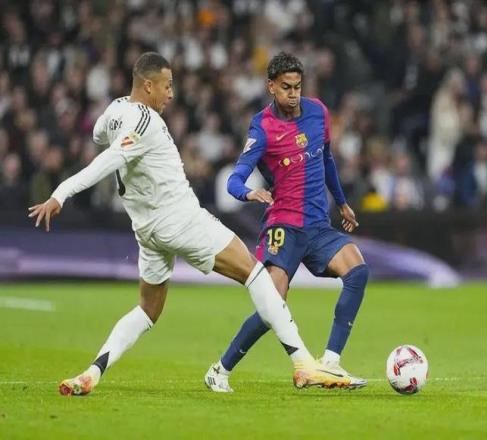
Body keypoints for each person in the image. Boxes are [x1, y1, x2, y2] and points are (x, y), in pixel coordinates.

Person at [28, 52, 352, 396]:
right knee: (256, 274)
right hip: (180, 219)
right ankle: (304, 363)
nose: (171, 94)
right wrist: (60, 194)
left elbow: (97, 135)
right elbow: (108, 158)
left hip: (147, 231)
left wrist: (115, 130)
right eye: (166, 86)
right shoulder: (146, 122)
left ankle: (93, 371)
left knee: (148, 310)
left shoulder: (116, 110)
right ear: (148, 86)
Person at [204, 52, 369, 392]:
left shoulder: (318, 112)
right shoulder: (262, 127)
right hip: (284, 224)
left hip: (318, 224)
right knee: (273, 303)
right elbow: (234, 179)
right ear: (271, 87)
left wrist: (342, 203)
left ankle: (330, 362)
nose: (293, 94)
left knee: (357, 270)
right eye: (286, 88)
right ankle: (220, 370)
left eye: (297, 87)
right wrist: (249, 193)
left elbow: (327, 160)